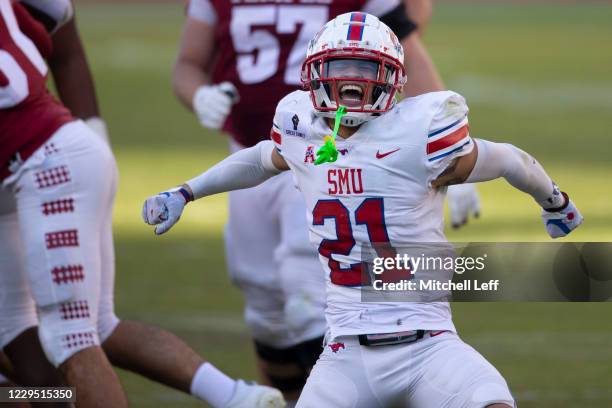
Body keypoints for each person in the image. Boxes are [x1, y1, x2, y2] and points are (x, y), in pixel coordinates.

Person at [144, 12, 583, 407]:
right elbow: (259, 159)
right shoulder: (305, 133)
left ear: (391, 77)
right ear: (315, 73)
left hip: (428, 345)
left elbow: (504, 158)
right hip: (345, 355)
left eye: (365, 69)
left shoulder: (419, 133)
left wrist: (554, 201)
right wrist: (186, 192)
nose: (351, 83)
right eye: (340, 68)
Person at [173, 0, 478, 401]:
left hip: (330, 153)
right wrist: (199, 96)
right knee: (266, 311)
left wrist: (451, 154)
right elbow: (188, 62)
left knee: (307, 298)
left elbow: (404, 38)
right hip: (252, 154)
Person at [0, 1, 284, 407]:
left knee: (71, 335)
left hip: (42, 163)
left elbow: (62, 38)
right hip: (44, 158)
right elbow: (57, 23)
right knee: (35, 329)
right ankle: (236, 396)